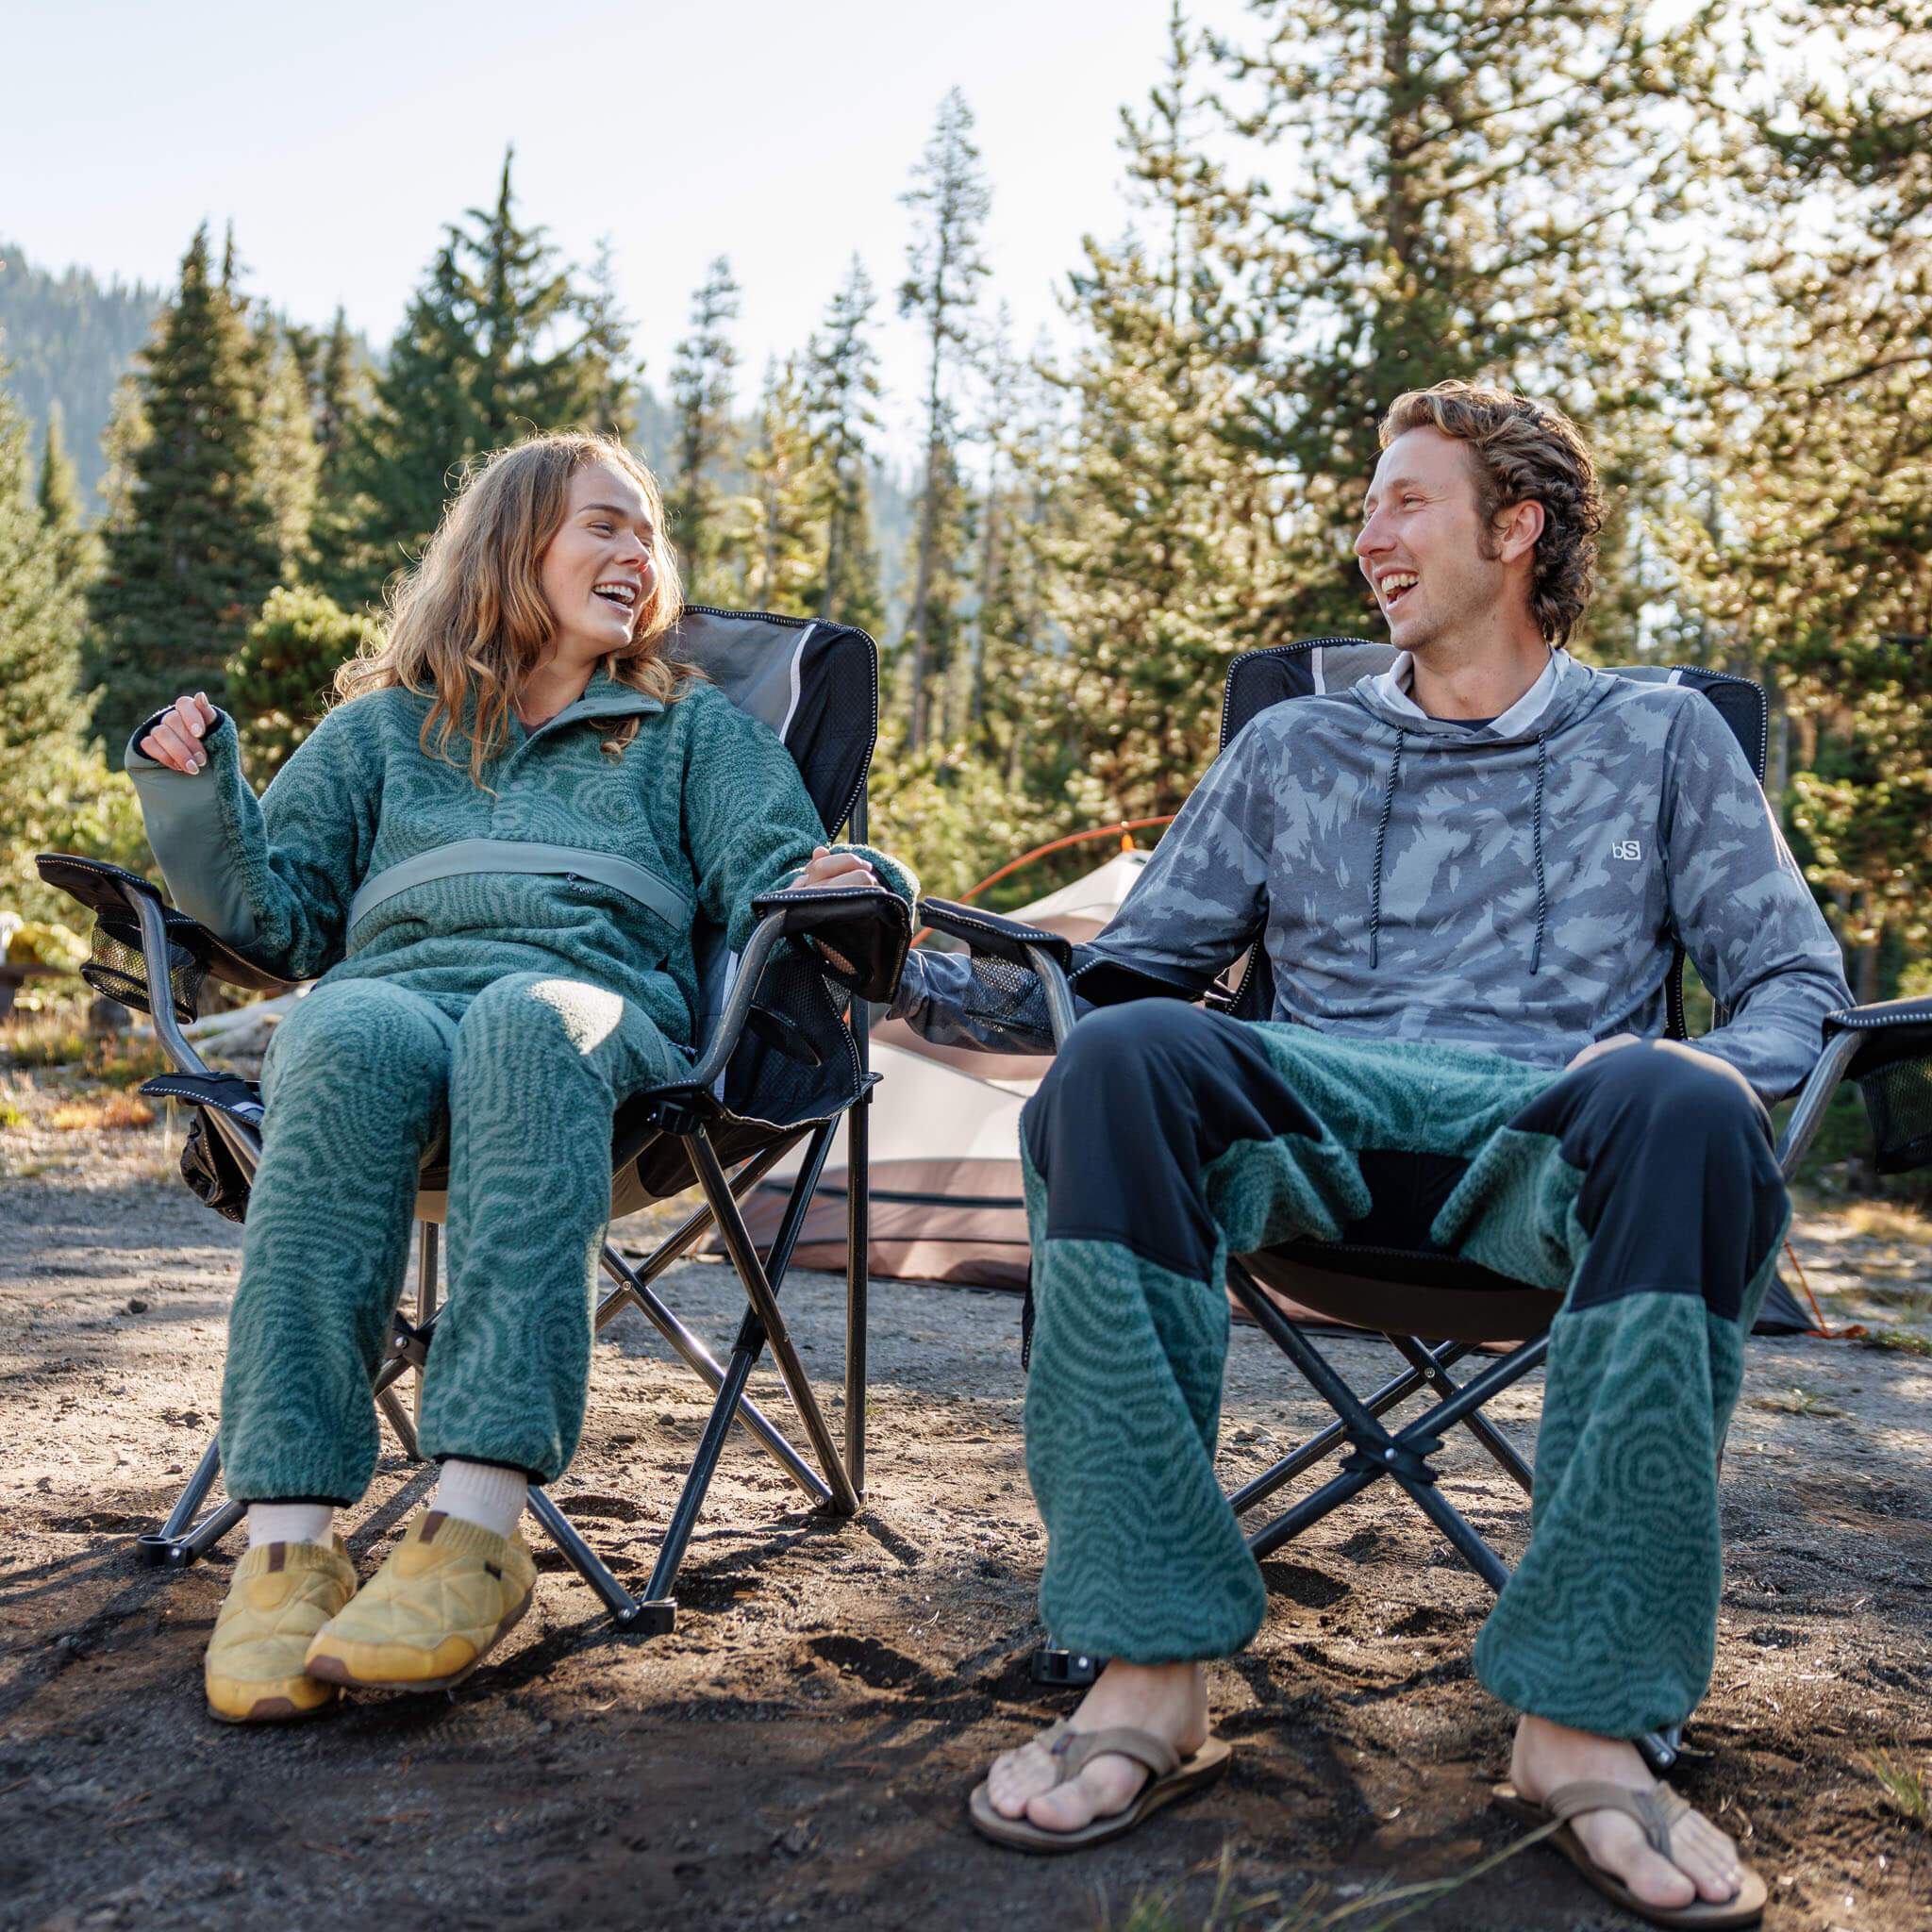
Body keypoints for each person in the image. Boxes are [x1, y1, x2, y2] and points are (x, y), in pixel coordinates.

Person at [891, 383, 1843, 1925]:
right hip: (1311, 1131)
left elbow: (1798, 986)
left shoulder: (1661, 739)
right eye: (1368, 503)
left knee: (1683, 1104)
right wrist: (899, 957)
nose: (1367, 536)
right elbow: (1124, 980)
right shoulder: (1295, 747)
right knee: (1126, 1061)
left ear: (1516, 528)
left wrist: (1698, 1067)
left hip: (1544, 1146)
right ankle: (1146, 1664)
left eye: (1406, 501)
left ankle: (1585, 1713)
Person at [128, 432, 911, 1725]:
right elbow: (278, 919)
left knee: (524, 1021)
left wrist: (846, 882)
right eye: (604, 525)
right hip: (396, 1001)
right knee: (335, 1034)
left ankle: (476, 1533)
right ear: (512, 543)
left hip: (598, 1028)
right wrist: (192, 793)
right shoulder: (382, 728)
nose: (636, 553)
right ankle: (286, 1547)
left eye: (647, 534)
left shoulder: (687, 727)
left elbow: (780, 864)